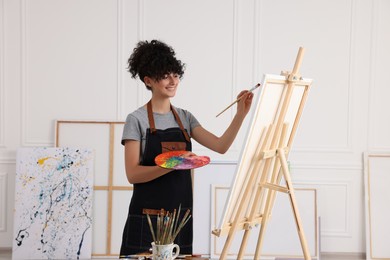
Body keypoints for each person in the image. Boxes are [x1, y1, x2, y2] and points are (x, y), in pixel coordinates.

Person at [120, 39, 254, 256]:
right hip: (147, 217)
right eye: (165, 75)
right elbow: (133, 174)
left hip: (179, 217)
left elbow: (220, 146)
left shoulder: (185, 118)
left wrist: (241, 114)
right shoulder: (136, 120)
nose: (172, 81)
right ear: (148, 80)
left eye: (175, 74)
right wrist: (173, 164)